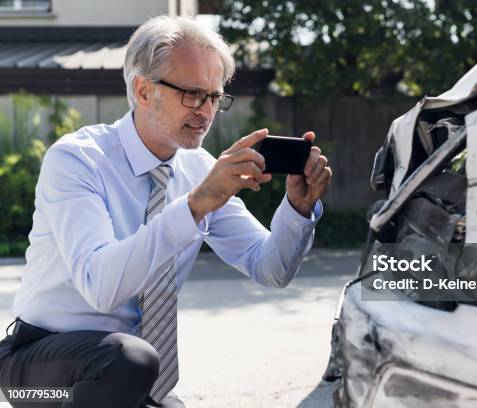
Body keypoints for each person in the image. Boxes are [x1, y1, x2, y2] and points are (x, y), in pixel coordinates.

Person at [0, 15, 331, 408]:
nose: (206, 112)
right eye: (192, 94)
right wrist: (195, 205)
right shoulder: (77, 160)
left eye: (214, 97)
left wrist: (297, 208)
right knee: (129, 359)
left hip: (123, 383)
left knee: (131, 367)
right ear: (143, 90)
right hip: (37, 371)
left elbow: (271, 268)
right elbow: (100, 285)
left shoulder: (199, 170)